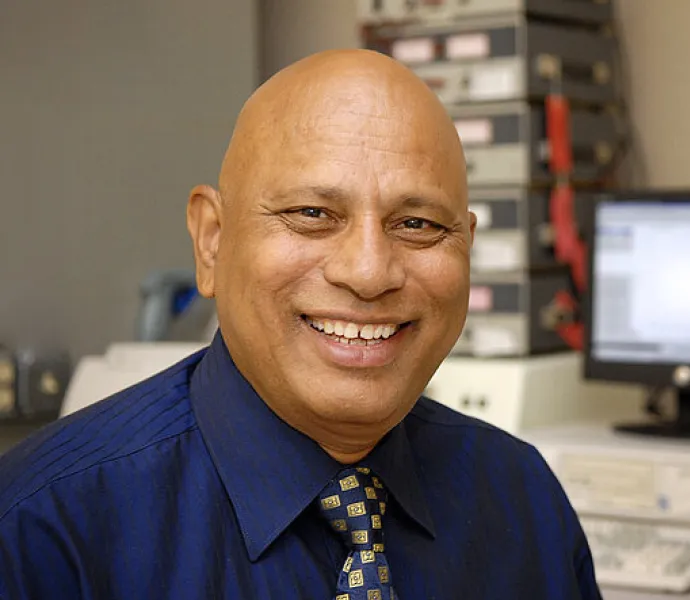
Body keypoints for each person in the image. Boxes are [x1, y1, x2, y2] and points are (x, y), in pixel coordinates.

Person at [0, 49, 601, 599]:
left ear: (467, 246)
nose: (368, 273)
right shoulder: (40, 530)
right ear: (212, 242)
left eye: (417, 224)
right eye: (312, 214)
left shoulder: (524, 501)